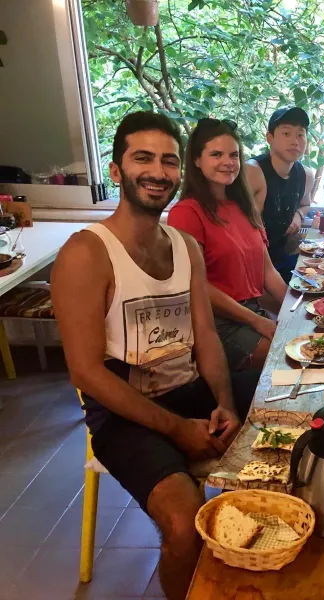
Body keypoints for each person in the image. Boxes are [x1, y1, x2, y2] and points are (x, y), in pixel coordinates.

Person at [51, 112, 259, 600]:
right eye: (142, 158)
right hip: (125, 417)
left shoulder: (185, 246)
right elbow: (84, 372)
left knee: (298, 399)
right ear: (117, 169)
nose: (158, 171)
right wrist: (176, 430)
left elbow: (206, 337)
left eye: (168, 161)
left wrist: (224, 403)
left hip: (191, 393)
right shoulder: (86, 253)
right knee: (184, 526)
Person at [168, 118, 288, 371]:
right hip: (217, 324)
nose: (228, 162)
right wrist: (256, 321)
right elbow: (196, 285)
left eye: (234, 155)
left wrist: (296, 307)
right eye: (216, 154)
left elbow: (268, 271)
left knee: (313, 343)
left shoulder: (242, 207)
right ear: (196, 161)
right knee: (287, 360)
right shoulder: (186, 212)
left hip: (253, 313)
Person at [245, 106, 315, 282]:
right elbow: (243, 231)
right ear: (270, 138)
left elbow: (305, 204)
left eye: (300, 135)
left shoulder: (306, 175)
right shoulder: (253, 171)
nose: (295, 141)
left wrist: (298, 216)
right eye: (286, 134)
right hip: (252, 266)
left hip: (281, 259)